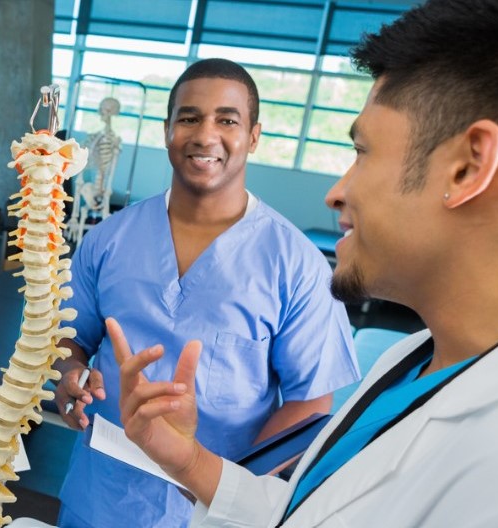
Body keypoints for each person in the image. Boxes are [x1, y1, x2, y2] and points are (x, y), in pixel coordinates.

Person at [113, 0, 498, 525]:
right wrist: (191, 462)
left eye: (363, 151)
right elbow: (308, 514)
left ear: (467, 168)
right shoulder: (419, 359)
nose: (337, 193)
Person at [50, 58, 359, 527]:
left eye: (227, 120)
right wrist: (70, 375)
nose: (205, 134)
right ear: (167, 128)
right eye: (189, 117)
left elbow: (310, 402)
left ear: (253, 135)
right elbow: (72, 339)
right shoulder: (108, 240)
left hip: (210, 513)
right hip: (100, 500)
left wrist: (225, 485)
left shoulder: (295, 264)